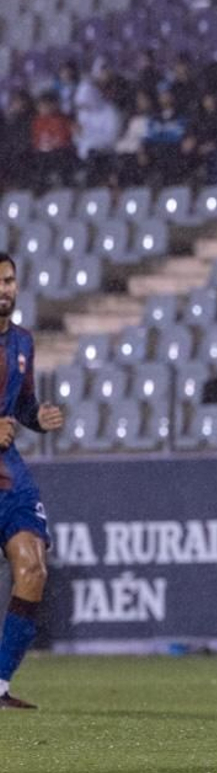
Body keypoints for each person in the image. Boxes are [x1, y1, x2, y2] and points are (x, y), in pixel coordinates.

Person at [0, 253, 66, 710]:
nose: (4, 288)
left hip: (7, 470)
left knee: (33, 568)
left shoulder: (22, 342)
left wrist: (38, 417)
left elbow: (22, 405)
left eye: (8, 280)